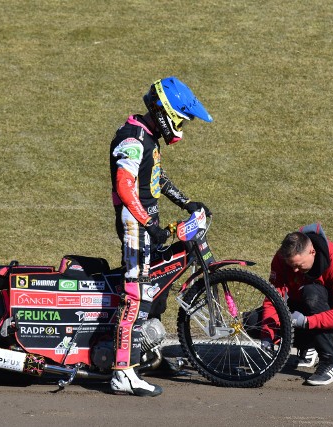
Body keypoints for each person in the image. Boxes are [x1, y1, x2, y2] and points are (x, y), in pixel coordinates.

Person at [109, 76, 212, 396]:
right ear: (166, 111)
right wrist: (148, 225)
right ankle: (122, 372)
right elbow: (126, 187)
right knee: (134, 297)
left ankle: (146, 357)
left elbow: (155, 178)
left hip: (146, 228)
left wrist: (186, 202)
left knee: (157, 293)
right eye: (183, 118)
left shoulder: (148, 137)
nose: (184, 124)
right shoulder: (132, 139)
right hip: (134, 229)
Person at [262, 223, 333, 386]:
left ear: (312, 252)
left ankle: (330, 364)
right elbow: (273, 298)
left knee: (311, 294)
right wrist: (267, 335)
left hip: (327, 314)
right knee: (252, 322)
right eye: (291, 266)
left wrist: (306, 322)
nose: (295, 271)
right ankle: (308, 348)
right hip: (298, 310)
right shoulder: (281, 259)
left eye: (299, 265)